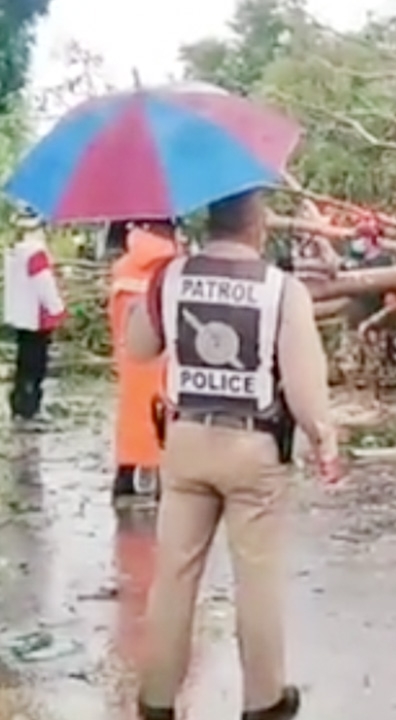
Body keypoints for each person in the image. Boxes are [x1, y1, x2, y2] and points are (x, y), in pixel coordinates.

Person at [126, 189, 341, 720]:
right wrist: (323, 436)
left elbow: (138, 347)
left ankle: (156, 702)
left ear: (210, 220)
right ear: (258, 224)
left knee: (174, 577)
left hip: (187, 442)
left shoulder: (168, 278)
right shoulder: (281, 290)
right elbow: (303, 383)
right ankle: (264, 702)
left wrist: (148, 298)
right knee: (257, 579)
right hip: (254, 446)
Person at [108, 219, 181, 505]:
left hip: (130, 358)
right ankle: (164, 487)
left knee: (131, 418)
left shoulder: (122, 268)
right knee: (165, 422)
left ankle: (124, 479)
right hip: (165, 360)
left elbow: (114, 316)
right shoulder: (173, 269)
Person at [3, 212, 66, 426]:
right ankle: (31, 409)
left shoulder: (14, 251)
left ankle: (18, 404)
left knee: (23, 363)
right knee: (36, 365)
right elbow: (44, 285)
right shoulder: (36, 253)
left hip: (19, 315)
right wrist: (57, 308)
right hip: (36, 317)